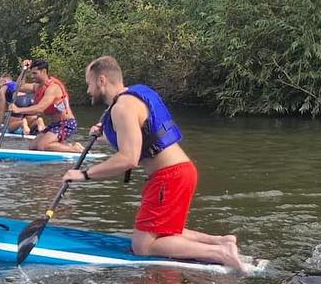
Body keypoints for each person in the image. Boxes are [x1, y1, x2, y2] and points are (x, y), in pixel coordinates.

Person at [59, 55, 245, 272]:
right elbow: (139, 140)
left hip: (169, 176)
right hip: (180, 172)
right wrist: (106, 136)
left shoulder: (121, 108)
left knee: (143, 246)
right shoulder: (131, 98)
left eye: (89, 83)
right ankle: (222, 242)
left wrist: (84, 174)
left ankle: (220, 254)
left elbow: (129, 159)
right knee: (166, 232)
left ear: (101, 80)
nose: (88, 90)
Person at [17, 58, 80, 151]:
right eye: (31, 73)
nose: (32, 76)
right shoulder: (37, 86)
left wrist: (18, 110)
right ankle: (61, 146)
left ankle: (75, 149)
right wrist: (24, 71)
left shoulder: (53, 87)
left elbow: (40, 108)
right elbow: (19, 87)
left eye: (35, 73)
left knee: (43, 146)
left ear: (43, 71)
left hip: (66, 124)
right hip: (55, 124)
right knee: (33, 147)